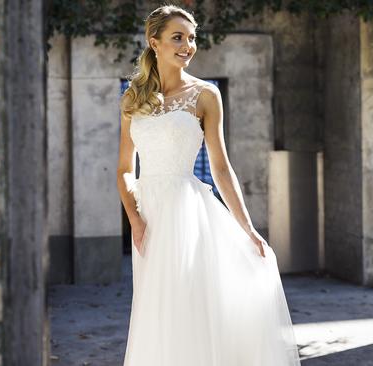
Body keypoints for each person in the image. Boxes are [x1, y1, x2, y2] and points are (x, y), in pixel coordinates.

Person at [116, 4, 302, 365]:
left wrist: (247, 228)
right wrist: (135, 218)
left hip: (187, 213)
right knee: (155, 309)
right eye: (177, 37)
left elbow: (220, 166)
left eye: (191, 38)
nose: (188, 45)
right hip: (149, 215)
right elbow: (125, 168)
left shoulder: (205, 95)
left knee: (189, 306)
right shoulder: (132, 99)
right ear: (154, 42)